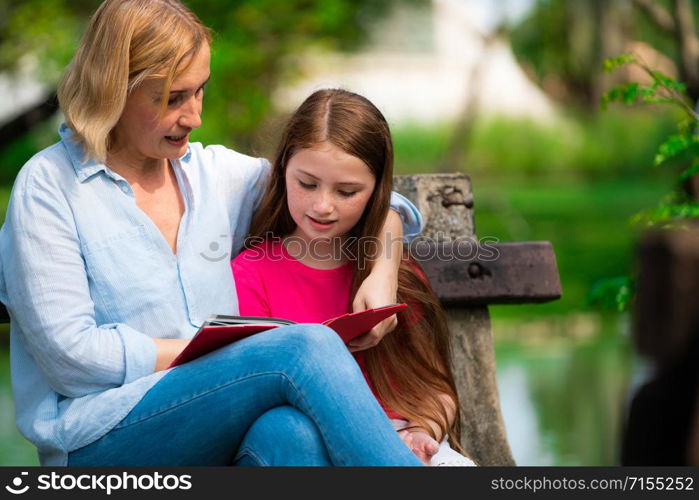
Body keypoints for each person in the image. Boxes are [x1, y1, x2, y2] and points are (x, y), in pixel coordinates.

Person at [0, 0, 426, 466]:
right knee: (304, 345)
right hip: (99, 440)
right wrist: (215, 355)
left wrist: (384, 269)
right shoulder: (48, 188)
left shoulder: (212, 175)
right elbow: (71, 359)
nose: (194, 115)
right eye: (172, 98)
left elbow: (373, 201)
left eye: (199, 91)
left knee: (291, 435)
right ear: (112, 88)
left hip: (216, 425)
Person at [232, 89, 476, 466]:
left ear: (378, 191)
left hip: (403, 446)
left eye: (347, 192)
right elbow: (256, 399)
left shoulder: (394, 275)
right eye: (307, 184)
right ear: (282, 171)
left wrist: (423, 431)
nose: (323, 205)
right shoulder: (251, 274)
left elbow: (435, 390)